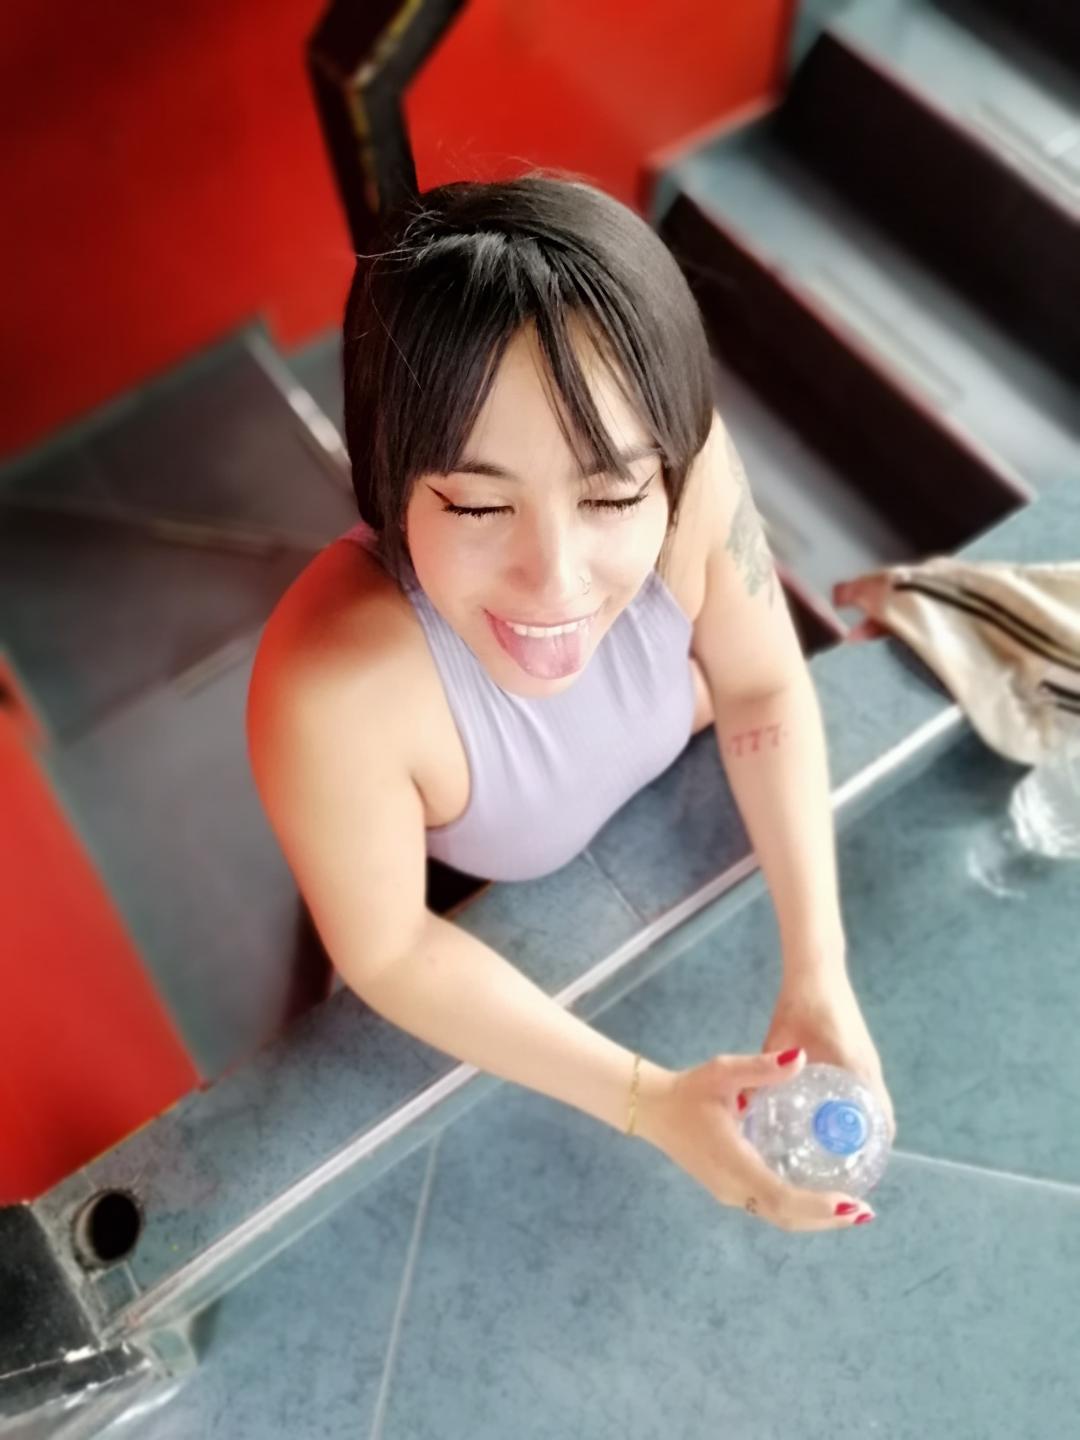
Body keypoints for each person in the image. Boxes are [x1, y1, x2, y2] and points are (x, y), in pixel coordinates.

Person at [246, 172, 896, 1235]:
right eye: (479, 504)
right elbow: (393, 948)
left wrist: (817, 972)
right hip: (470, 907)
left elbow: (763, 684)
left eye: (611, 494)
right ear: (390, 477)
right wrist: (649, 1102)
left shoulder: (692, 478)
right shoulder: (332, 688)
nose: (555, 580)